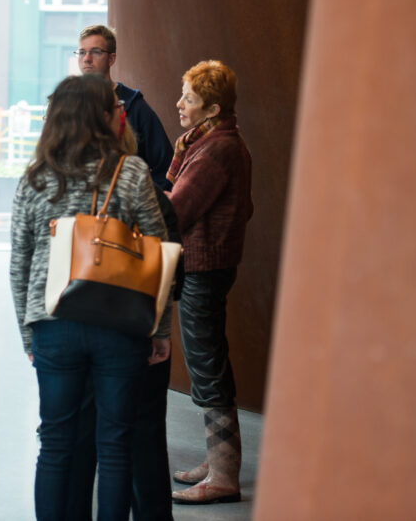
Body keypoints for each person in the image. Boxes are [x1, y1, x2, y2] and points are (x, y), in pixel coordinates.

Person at [10, 74, 172, 520]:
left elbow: (19, 264)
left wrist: (29, 334)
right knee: (115, 443)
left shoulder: (35, 177)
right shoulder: (131, 170)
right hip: (119, 324)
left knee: (56, 442)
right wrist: (159, 330)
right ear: (105, 117)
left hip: (54, 323)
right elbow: (156, 254)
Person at [165, 60, 253, 505]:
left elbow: (177, 210)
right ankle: (218, 461)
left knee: (207, 364)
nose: (180, 104)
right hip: (207, 266)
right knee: (208, 360)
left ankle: (223, 475)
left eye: (190, 99)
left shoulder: (217, 149)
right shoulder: (211, 141)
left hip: (204, 268)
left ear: (212, 108)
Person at [76, 25, 173, 189]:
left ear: (111, 59)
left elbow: (165, 168)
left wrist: (142, 198)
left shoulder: (134, 106)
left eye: (95, 52)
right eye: (82, 52)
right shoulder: (68, 105)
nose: (87, 59)